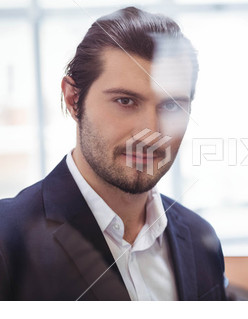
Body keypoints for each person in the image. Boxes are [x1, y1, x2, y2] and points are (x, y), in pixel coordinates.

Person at [0, 7, 227, 301]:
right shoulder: (7, 239)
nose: (151, 131)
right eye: (125, 101)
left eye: (171, 106)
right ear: (73, 99)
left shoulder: (200, 239)